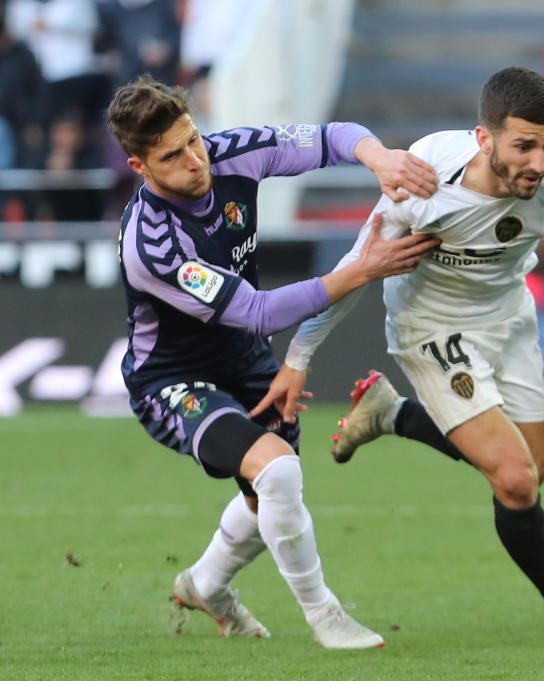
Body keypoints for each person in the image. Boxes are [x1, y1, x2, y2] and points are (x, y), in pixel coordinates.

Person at [253, 67, 544, 647]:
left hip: (509, 319)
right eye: (524, 145)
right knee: (517, 480)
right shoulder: (424, 181)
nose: (539, 161)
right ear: (484, 139)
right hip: (430, 326)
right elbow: (358, 267)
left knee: (531, 471)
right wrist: (300, 355)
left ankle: (391, 414)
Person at [106, 76, 440, 648]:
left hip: (247, 362)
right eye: (172, 155)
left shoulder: (233, 152)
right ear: (140, 167)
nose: (195, 160)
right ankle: (326, 616)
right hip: (173, 379)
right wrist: (362, 268)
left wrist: (378, 157)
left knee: (270, 494)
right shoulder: (153, 243)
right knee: (278, 470)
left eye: (193, 140)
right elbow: (258, 310)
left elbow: (333, 137)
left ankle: (206, 583)